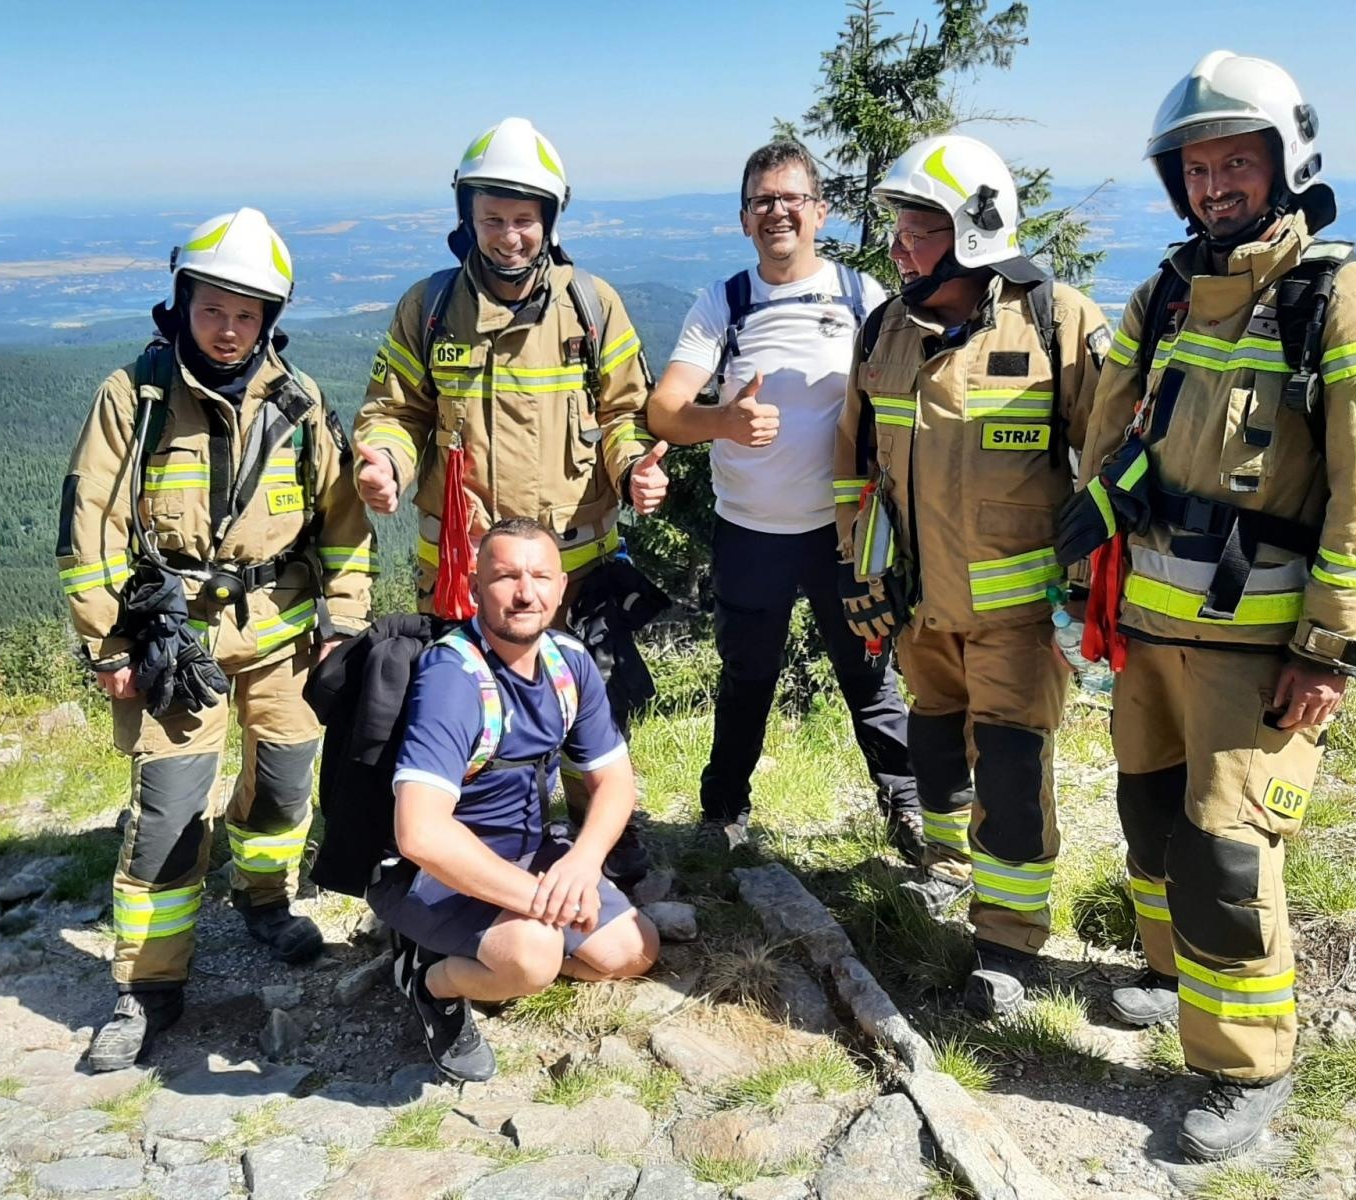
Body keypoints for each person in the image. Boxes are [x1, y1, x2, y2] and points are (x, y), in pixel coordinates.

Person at [1057, 52, 1356, 1160]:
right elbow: (1105, 434)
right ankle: (1171, 982)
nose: (1214, 185)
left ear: (1284, 163)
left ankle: (1244, 1066)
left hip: (1259, 647)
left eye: (1235, 162)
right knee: (1150, 824)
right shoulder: (1164, 292)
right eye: (1197, 167)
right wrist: (1092, 586)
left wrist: (1332, 651)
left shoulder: (1340, 298)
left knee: (1225, 857)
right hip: (1151, 630)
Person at [58, 208, 374, 1072]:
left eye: (246, 314)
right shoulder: (137, 397)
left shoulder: (300, 406)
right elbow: (91, 534)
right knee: (169, 812)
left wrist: (343, 627)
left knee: (283, 788)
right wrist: (111, 648)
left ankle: (263, 900)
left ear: (269, 320)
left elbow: (343, 529)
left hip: (285, 632)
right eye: (212, 310)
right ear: (182, 302)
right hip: (174, 644)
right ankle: (149, 986)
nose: (228, 330)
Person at [833, 135, 1112, 1019]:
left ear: (975, 234)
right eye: (899, 227)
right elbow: (854, 467)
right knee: (939, 757)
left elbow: (1108, 460)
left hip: (1019, 619)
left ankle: (1010, 943)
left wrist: (1088, 587)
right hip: (921, 613)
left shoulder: (1055, 322)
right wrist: (861, 566)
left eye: (919, 228)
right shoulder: (886, 332)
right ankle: (947, 873)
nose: (898, 247)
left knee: (1011, 773)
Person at [354, 116, 665, 888]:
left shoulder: (591, 307)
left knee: (589, 714)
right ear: (467, 217)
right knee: (471, 715)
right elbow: (394, 411)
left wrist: (634, 472)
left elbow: (628, 413)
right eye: (492, 218)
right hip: (465, 574)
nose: (508, 236)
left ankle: (607, 849)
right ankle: (484, 864)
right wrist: (385, 463)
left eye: (524, 220)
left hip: (576, 564)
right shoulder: (428, 310)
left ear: (549, 221)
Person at [646, 140, 919, 853]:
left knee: (869, 680)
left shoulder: (864, 297)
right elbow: (664, 411)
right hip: (751, 530)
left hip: (845, 531)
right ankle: (723, 816)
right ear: (744, 219)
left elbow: (905, 399)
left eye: (792, 198)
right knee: (746, 679)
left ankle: (911, 813)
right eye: (762, 201)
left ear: (820, 212)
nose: (778, 212)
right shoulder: (724, 303)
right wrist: (723, 422)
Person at [374, 517, 660, 1081]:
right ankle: (428, 978)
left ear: (560, 588)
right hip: (432, 872)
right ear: (476, 586)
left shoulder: (567, 663)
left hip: (530, 853)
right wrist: (540, 902)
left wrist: (581, 862)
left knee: (633, 953)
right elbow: (421, 834)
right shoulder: (453, 678)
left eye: (540, 577)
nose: (525, 592)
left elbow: (615, 781)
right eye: (505, 577)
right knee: (531, 960)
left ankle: (500, 949)